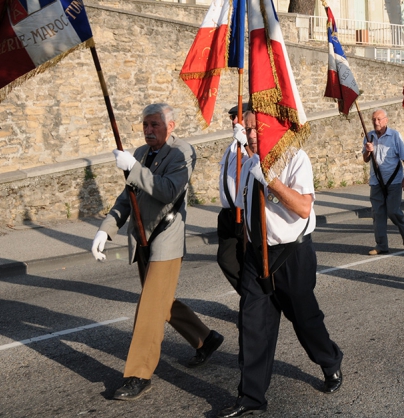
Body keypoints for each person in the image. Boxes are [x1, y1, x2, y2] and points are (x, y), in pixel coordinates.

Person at [90, 103, 224, 401]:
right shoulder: (138, 154)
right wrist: (106, 228)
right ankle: (205, 338)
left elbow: (168, 190)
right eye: (145, 125)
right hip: (141, 239)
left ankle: (138, 374)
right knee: (160, 301)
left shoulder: (183, 153)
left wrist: (133, 169)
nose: (149, 131)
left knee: (150, 308)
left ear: (171, 126)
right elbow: (128, 198)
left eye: (155, 125)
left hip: (167, 236)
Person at [217, 111, 343, 417]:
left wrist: (270, 181)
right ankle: (251, 396)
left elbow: (302, 207)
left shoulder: (295, 157)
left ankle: (329, 360)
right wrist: (235, 157)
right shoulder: (248, 162)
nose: (250, 135)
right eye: (246, 130)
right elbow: (232, 201)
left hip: (292, 254)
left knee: (304, 320)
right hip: (257, 256)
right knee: (252, 324)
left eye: (254, 128)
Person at [362, 109, 404, 255]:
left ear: (386, 120)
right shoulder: (369, 136)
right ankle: (381, 245)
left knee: (393, 211)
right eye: (374, 120)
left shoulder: (395, 136)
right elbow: (365, 159)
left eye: (379, 119)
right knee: (377, 214)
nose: (376, 122)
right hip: (376, 181)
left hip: (394, 181)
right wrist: (368, 151)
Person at [217, 104, 250, 293]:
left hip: (244, 212)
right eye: (232, 118)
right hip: (227, 213)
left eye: (238, 117)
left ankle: (254, 304)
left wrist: (244, 142)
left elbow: (258, 163)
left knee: (248, 259)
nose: (234, 122)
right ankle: (249, 297)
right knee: (226, 259)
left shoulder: (251, 143)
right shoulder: (231, 147)